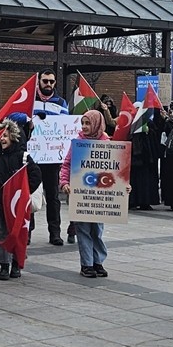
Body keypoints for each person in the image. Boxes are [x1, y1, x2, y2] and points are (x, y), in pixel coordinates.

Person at [0, 118, 42, 280]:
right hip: (3, 203)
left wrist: (25, 191)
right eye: (0, 136)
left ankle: (16, 263)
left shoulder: (23, 157)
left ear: (13, 137)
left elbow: (36, 174)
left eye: (5, 136)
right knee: (4, 233)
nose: (2, 139)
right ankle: (4, 265)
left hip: (20, 205)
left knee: (20, 233)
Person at [59, 110, 115, 278]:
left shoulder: (107, 143)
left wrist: (124, 186)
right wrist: (64, 183)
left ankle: (98, 262)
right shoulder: (78, 143)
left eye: (88, 123)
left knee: (97, 230)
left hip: (100, 196)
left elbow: (116, 169)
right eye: (83, 123)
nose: (84, 126)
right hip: (80, 193)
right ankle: (87, 264)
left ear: (97, 124)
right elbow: (67, 165)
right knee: (83, 229)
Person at [33, 70, 69, 245]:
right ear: (39, 81)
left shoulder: (61, 102)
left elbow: (65, 125)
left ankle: (55, 233)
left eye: (51, 81)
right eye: (45, 81)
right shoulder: (30, 100)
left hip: (52, 158)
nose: (48, 84)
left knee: (53, 197)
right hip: (33, 157)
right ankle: (27, 231)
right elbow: (15, 116)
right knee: (30, 194)